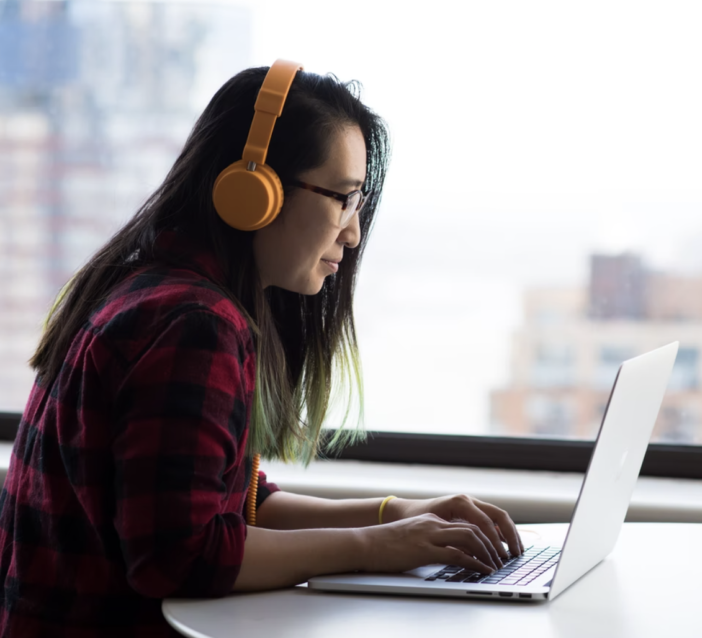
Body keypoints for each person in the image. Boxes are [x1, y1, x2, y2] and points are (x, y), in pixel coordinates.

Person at [0, 62, 523, 637]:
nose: (351, 232)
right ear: (254, 190)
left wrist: (394, 513)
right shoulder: (192, 323)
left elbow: (232, 500)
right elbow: (182, 555)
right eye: (342, 199)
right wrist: (375, 547)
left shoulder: (156, 287)